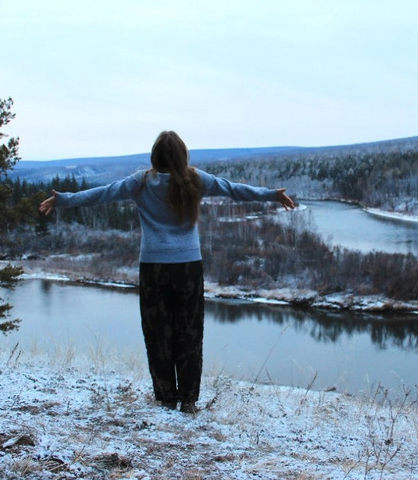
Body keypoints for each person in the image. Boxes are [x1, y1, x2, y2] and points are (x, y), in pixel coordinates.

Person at [39, 130, 295, 413]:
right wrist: (271, 195)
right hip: (188, 268)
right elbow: (234, 189)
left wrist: (63, 199)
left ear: (154, 157)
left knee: (157, 333)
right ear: (183, 156)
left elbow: (102, 194)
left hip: (153, 268)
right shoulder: (195, 179)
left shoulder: (140, 182)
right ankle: (188, 401)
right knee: (190, 333)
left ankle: (165, 397)